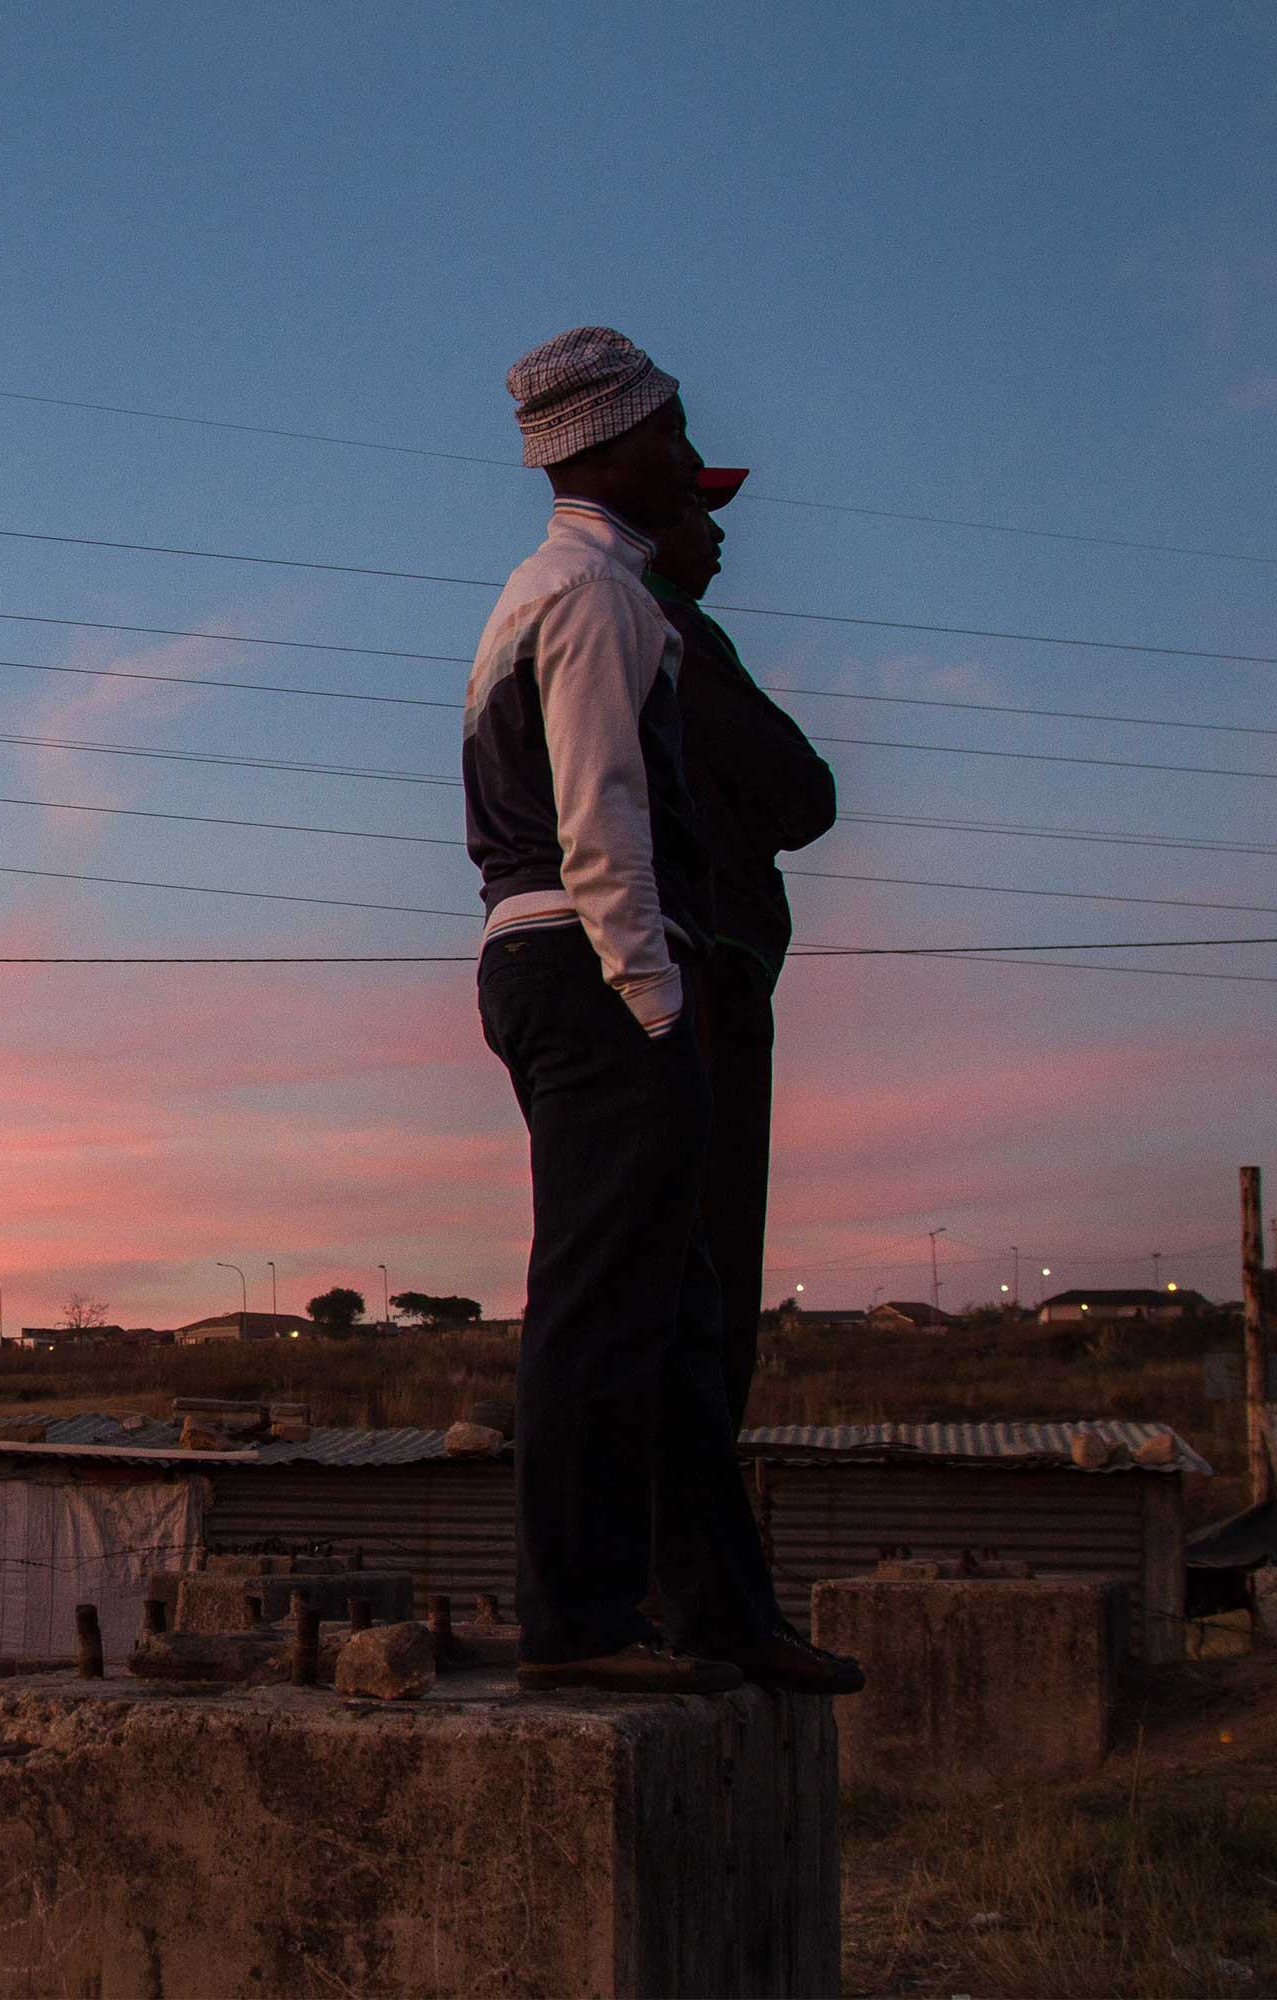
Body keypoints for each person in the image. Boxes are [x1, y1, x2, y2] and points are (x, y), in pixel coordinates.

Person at [463, 326, 856, 1696]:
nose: (692, 467)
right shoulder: (593, 599)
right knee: (604, 1305)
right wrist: (658, 1001)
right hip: (598, 967)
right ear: (608, 449)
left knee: (672, 1308)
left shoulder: (582, 591)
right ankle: (575, 1624)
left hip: (584, 966)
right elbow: (601, 826)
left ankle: (719, 1612)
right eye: (676, 440)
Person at [644, 469, 836, 1431]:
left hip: (675, 962)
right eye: (695, 512)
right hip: (708, 966)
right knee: (710, 1264)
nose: (718, 537)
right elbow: (804, 793)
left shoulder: (591, 624)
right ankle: (691, 1552)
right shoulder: (670, 630)